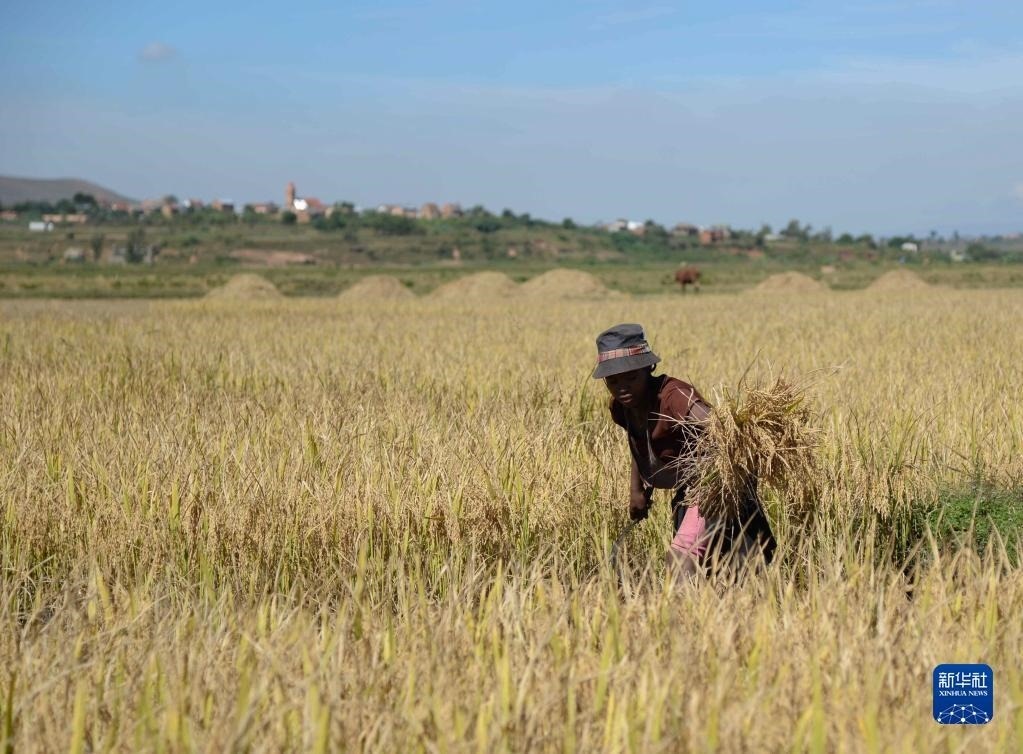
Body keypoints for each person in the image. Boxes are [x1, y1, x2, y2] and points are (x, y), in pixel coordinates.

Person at [593, 323, 775, 580]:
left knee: (681, 560)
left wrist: (723, 477)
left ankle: (681, 607)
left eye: (631, 378)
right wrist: (636, 490)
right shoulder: (622, 407)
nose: (622, 387)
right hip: (687, 488)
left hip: (713, 483)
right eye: (613, 381)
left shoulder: (675, 397)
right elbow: (639, 441)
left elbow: (722, 429)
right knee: (714, 566)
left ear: (648, 368)